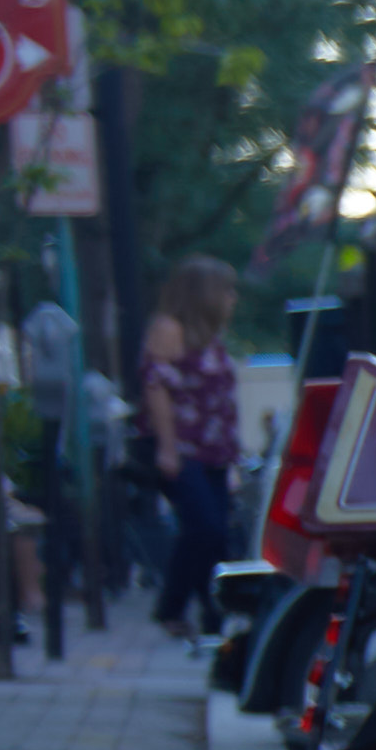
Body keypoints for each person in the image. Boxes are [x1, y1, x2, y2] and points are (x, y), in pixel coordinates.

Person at [137, 264, 241, 641]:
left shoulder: (212, 337)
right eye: (225, 291)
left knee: (218, 533)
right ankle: (172, 606)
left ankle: (215, 613)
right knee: (203, 527)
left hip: (215, 448)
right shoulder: (169, 330)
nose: (232, 300)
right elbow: (156, 388)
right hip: (184, 447)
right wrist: (167, 447)